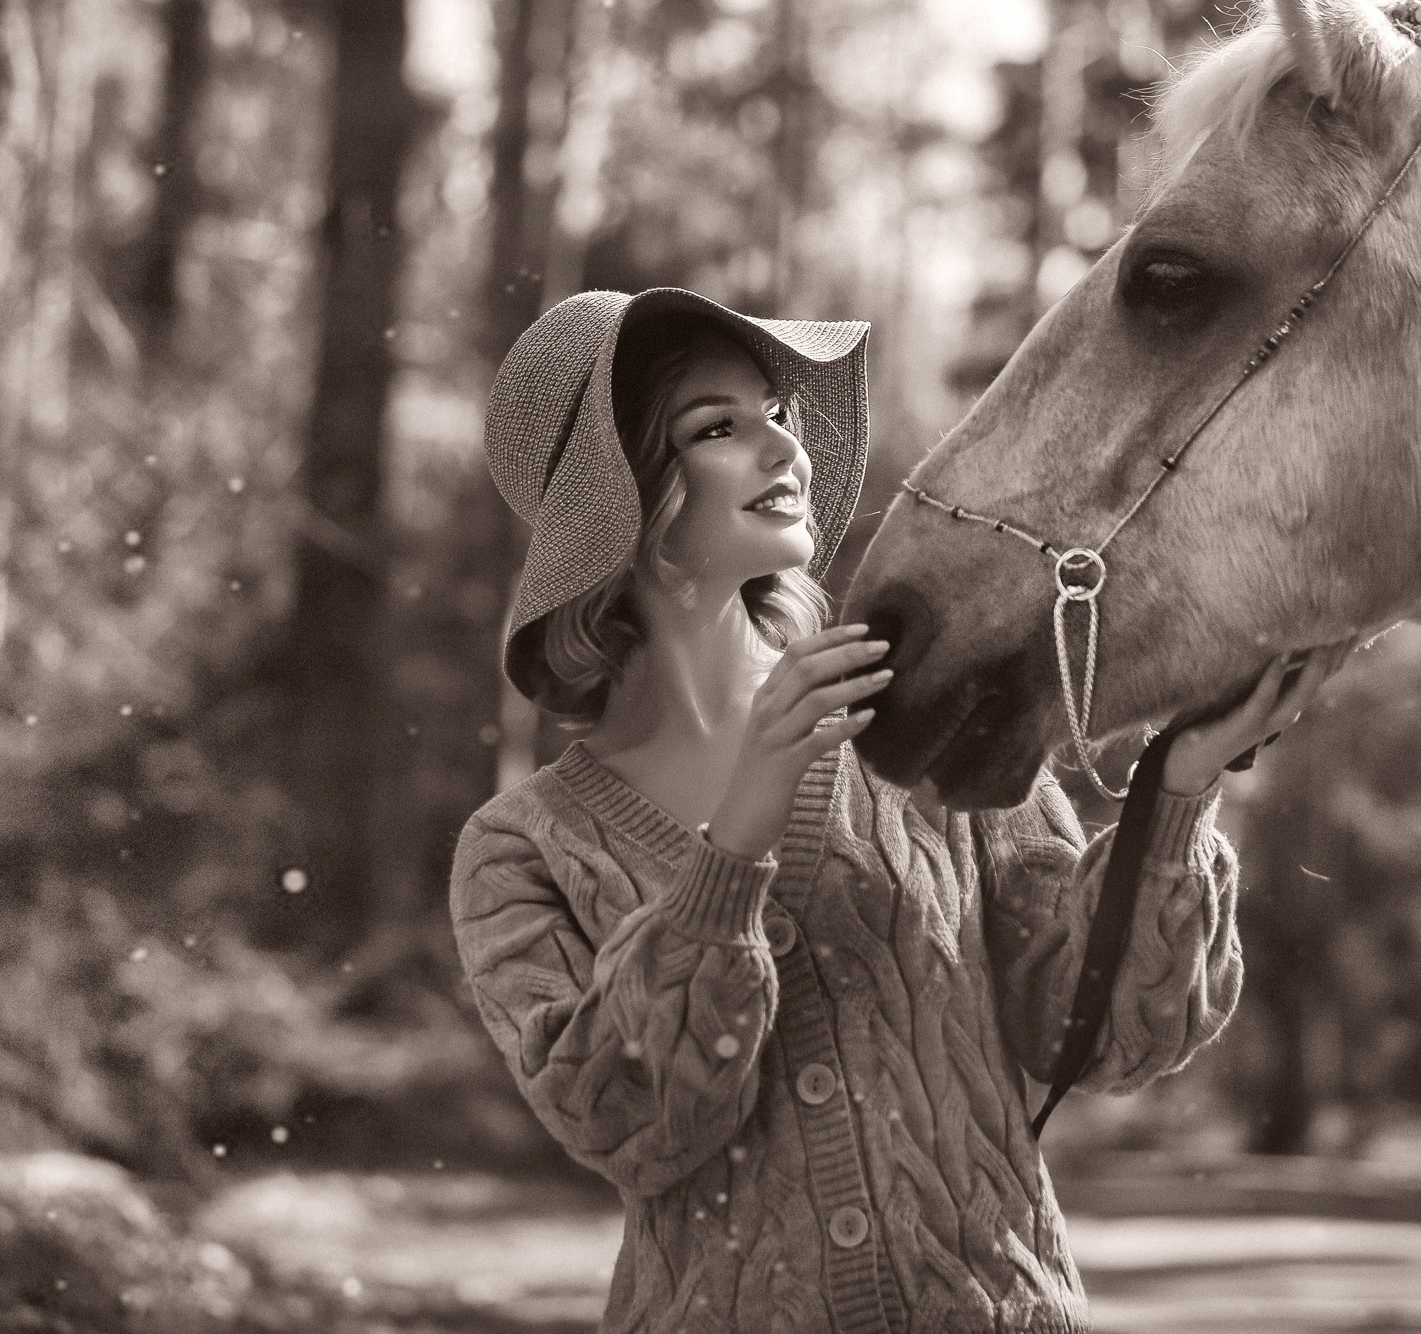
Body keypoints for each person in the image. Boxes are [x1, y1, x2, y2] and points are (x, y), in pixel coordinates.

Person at [451, 288, 1345, 1333]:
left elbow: (1101, 1034)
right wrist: (738, 838)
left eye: (778, 413)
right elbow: (635, 1124)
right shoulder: (519, 848)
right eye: (717, 427)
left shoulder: (918, 725)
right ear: (626, 506)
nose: (783, 448)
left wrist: (1177, 790)